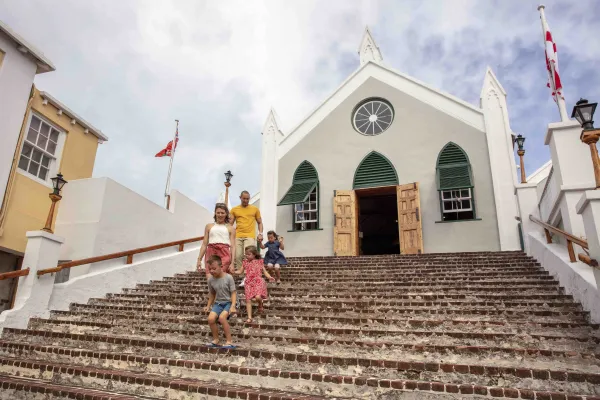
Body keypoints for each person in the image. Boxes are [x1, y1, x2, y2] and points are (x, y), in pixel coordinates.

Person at [234, 245, 274, 323]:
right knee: (248, 300)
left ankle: (260, 304)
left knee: (258, 297)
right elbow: (240, 271)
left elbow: (264, 271)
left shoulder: (259, 261)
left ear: (254, 254)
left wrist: (269, 277)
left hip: (258, 281)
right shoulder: (245, 262)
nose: (247, 256)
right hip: (248, 282)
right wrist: (233, 272)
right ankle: (249, 318)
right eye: (246, 254)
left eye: (249, 254)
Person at [230, 191, 263, 285]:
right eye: (244, 198)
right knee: (238, 256)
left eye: (247, 198)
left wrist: (260, 233)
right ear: (240, 197)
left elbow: (260, 222)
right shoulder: (234, 210)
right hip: (238, 236)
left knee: (249, 256)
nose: (246, 200)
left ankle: (248, 276)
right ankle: (243, 277)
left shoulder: (255, 209)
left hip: (250, 235)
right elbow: (230, 224)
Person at [204, 255, 237, 348]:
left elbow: (233, 293)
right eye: (210, 269)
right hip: (218, 303)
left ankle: (229, 341)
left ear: (221, 267)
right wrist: (208, 306)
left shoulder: (229, 277)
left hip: (229, 302)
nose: (211, 271)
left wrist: (233, 305)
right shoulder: (210, 280)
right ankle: (216, 339)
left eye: (214, 268)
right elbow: (212, 294)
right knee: (210, 319)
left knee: (222, 318)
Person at [196, 203, 236, 278]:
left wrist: (232, 263)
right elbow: (204, 244)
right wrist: (199, 259)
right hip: (211, 252)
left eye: (222, 213)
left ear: (226, 214)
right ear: (215, 213)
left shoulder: (231, 228)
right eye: (218, 212)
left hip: (224, 253)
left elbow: (233, 246)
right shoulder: (209, 226)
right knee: (210, 279)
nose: (220, 215)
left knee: (220, 278)